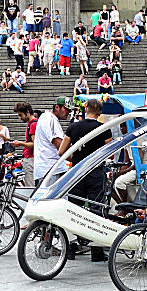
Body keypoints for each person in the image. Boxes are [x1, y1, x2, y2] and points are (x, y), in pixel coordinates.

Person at [57, 99, 113, 261]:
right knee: (96, 209)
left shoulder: (73, 127)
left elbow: (62, 151)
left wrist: (78, 158)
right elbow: (109, 152)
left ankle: (71, 247)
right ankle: (96, 250)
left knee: (75, 209)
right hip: (95, 172)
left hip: (76, 173)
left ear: (86, 109)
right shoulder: (103, 128)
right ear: (100, 113)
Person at [33, 97, 70, 185]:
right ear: (57, 107)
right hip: (51, 169)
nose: (69, 112)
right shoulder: (50, 119)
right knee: (51, 198)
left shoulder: (47, 117)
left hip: (49, 168)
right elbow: (61, 147)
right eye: (66, 109)